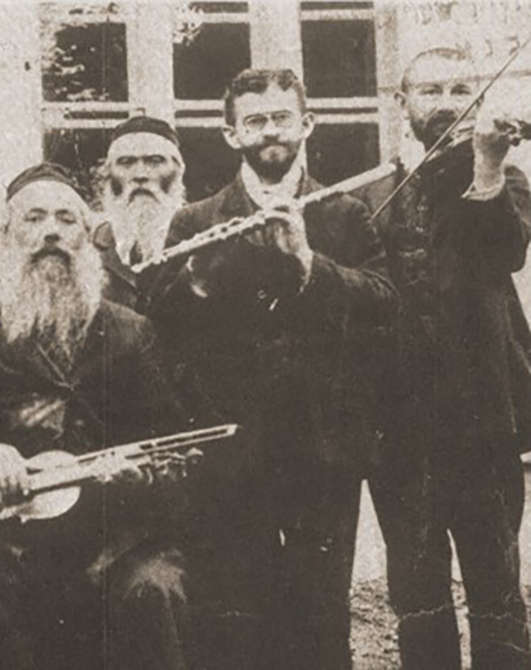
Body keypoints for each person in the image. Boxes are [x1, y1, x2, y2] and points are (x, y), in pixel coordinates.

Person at [0, 164, 194, 669]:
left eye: (66, 219)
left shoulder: (132, 333)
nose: (51, 230)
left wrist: (142, 476)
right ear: (6, 236)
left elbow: (178, 449)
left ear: (88, 237)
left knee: (154, 588)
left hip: (113, 540)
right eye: (34, 218)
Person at [148, 69, 396, 669]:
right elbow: (159, 330)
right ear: (231, 134)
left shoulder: (345, 211)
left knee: (320, 614)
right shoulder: (196, 220)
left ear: (306, 125)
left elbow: (385, 301)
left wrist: (310, 264)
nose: (269, 132)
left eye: (281, 117)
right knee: (235, 611)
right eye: (254, 121)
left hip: (322, 447)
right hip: (231, 449)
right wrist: (199, 282)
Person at [359, 47, 531, 669]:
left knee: (496, 591)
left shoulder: (503, 179)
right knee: (418, 595)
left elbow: (507, 251)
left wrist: (487, 162)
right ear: (401, 104)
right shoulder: (375, 193)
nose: (445, 101)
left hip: (486, 426)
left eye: (461, 88)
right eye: (428, 90)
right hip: (401, 431)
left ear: (480, 104)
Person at [93, 115, 188, 312]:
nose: (140, 175)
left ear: (178, 171)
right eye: (126, 163)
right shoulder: (89, 246)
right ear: (109, 173)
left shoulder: (202, 235)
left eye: (155, 161)